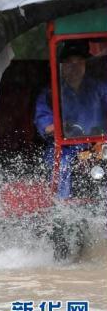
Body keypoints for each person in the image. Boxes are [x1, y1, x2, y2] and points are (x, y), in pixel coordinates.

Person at [34, 40, 107, 198]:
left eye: (79, 62)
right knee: (62, 163)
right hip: (66, 148)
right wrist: (60, 127)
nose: (74, 67)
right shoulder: (49, 93)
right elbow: (44, 125)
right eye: (68, 63)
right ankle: (63, 206)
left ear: (86, 64)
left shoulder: (100, 88)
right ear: (61, 66)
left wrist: (101, 141)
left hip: (99, 145)